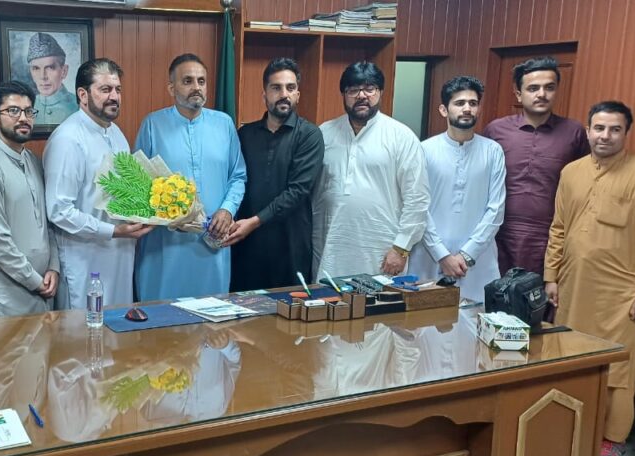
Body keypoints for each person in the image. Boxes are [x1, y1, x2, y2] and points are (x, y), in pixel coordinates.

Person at [544, 101, 635, 456]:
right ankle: (572, 425)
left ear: (626, 133)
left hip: (621, 295)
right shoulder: (571, 172)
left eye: (615, 129)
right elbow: (558, 227)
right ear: (587, 131)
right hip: (573, 286)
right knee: (569, 359)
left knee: (616, 369)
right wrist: (551, 276)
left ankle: (613, 438)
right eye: (599, 128)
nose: (606, 136)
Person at [134, 53, 247, 301]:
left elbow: (238, 176)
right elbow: (137, 183)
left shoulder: (224, 124)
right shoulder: (153, 125)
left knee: (212, 315)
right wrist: (166, 213)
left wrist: (227, 210)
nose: (196, 87)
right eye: (187, 81)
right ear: (171, 88)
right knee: (162, 316)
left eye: (201, 81)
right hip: (166, 247)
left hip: (212, 240)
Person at [44, 58, 152, 309]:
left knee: (117, 327)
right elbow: (59, 211)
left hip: (121, 254)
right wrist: (113, 231)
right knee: (84, 329)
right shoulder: (68, 139)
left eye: (118, 89)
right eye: (105, 89)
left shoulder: (115, 133)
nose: (114, 97)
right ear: (83, 95)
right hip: (85, 260)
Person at [312, 61, 429, 278]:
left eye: (369, 89)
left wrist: (401, 248)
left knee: (378, 299)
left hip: (382, 251)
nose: (361, 96)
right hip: (329, 247)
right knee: (327, 297)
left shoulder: (401, 137)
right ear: (343, 94)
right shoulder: (324, 133)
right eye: (353, 90)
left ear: (380, 92)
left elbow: (417, 198)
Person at [484, 56, 589, 276]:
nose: (542, 94)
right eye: (533, 88)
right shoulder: (496, 130)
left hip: (550, 236)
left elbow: (585, 187)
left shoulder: (574, 132)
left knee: (540, 295)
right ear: (518, 94)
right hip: (499, 234)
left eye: (549, 87)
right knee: (492, 293)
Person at [226, 57, 323, 292]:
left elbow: (297, 191)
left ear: (297, 94)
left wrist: (254, 222)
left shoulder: (309, 135)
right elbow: (235, 180)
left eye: (290, 88)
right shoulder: (245, 134)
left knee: (290, 310)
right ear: (265, 95)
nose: (284, 94)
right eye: (276, 88)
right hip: (247, 246)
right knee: (244, 309)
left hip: (290, 245)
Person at [408, 76, 505, 301]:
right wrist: (442, 255)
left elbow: (496, 210)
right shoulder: (424, 150)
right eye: (460, 103)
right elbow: (418, 207)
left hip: (478, 260)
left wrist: (467, 255)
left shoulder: (493, 151)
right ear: (444, 110)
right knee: (427, 318)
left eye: (473, 103)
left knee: (476, 317)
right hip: (429, 256)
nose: (467, 109)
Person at [0, 81, 59, 316]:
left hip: (43, 289)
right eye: (13, 111)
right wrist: (35, 281)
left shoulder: (33, 160)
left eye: (29, 111)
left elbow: (48, 223)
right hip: (7, 297)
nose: (23, 118)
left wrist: (53, 267)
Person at [27, 32, 79, 125]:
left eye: (50, 67)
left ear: (64, 71)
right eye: (36, 68)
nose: (43, 76)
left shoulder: (79, 106)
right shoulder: (26, 106)